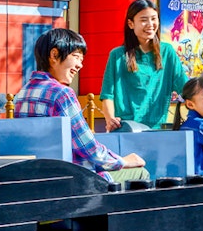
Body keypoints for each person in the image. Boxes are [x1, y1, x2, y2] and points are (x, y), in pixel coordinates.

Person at [16, 27, 149, 183]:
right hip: (75, 179)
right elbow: (90, 149)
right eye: (76, 57)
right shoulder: (62, 94)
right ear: (54, 55)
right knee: (140, 173)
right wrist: (124, 161)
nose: (80, 65)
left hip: (39, 177)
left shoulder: (22, 94)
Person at [100, 0, 189, 129]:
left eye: (154, 19)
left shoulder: (167, 52)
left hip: (156, 130)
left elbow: (185, 88)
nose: (150, 24)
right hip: (125, 129)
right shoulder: (117, 55)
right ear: (131, 24)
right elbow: (107, 94)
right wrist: (110, 119)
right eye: (143, 20)